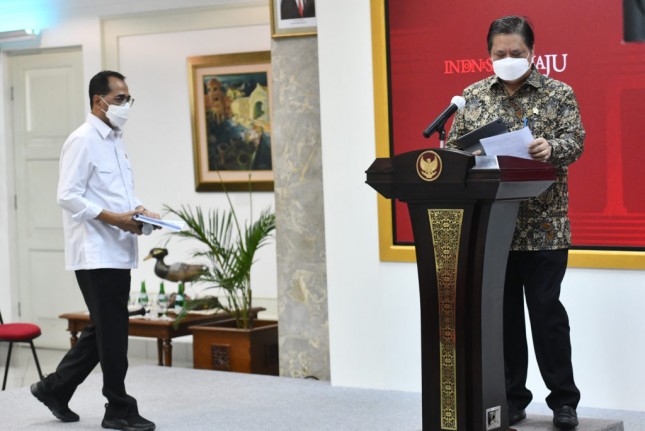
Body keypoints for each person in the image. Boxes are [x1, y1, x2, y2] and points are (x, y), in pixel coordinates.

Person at [445, 16, 584, 430]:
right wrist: (465, 157)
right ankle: (512, 397)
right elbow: (454, 148)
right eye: (499, 54)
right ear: (489, 55)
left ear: (532, 53)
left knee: (546, 316)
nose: (507, 60)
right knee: (503, 319)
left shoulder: (559, 93)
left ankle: (563, 401)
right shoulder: (471, 98)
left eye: (516, 53)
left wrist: (550, 147)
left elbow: (575, 142)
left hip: (544, 226)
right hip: (492, 229)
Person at [30, 70, 157, 431]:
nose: (126, 105)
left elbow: (118, 194)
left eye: (128, 99)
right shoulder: (82, 139)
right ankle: (118, 407)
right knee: (114, 332)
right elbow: (67, 196)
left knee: (105, 327)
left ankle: (56, 388)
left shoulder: (115, 139)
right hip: (96, 251)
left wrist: (140, 211)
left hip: (118, 248)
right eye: (120, 99)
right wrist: (116, 219)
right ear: (98, 101)